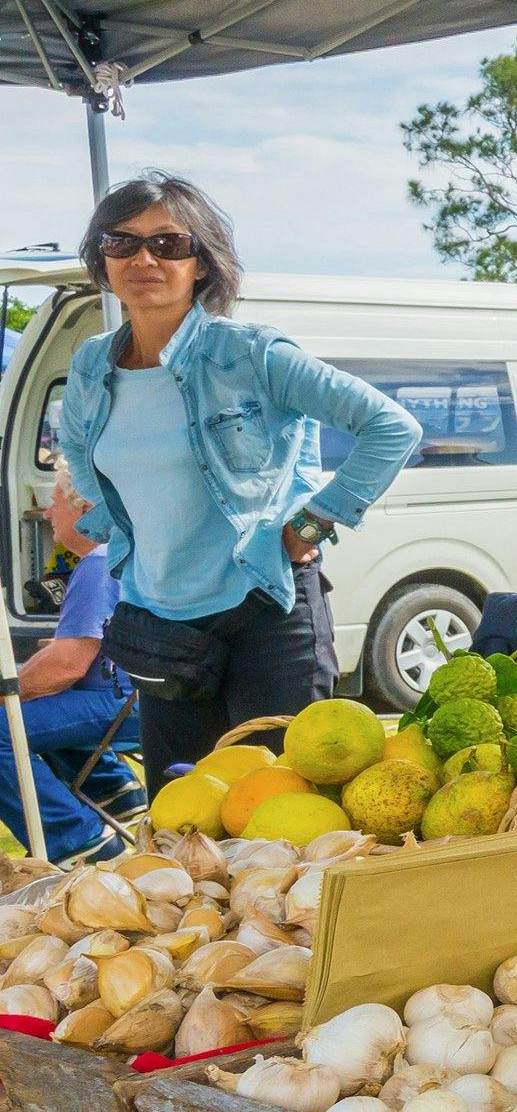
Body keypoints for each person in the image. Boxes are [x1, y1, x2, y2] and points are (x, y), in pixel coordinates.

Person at [51, 176, 418, 783]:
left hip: (264, 607)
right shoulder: (92, 363)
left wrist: (315, 518)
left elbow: (390, 425)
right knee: (182, 808)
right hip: (158, 615)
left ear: (202, 264)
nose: (144, 259)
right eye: (123, 242)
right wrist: (103, 527)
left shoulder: (252, 354)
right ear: (103, 258)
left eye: (169, 244)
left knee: (284, 805)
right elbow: (79, 448)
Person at [10, 494, 140, 859]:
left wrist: (9, 689)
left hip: (122, 703)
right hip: (137, 697)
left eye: (56, 503)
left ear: (85, 510)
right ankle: (115, 793)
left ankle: (80, 842)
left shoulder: (98, 564)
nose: (48, 513)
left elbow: (68, 666)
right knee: (38, 700)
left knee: (8, 721)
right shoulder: (113, 555)